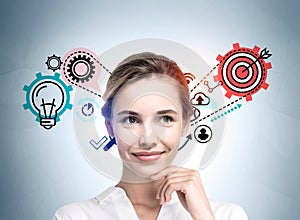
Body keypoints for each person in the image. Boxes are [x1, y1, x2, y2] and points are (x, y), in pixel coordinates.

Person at [53, 52, 248, 220]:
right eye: (131, 120)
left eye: (165, 118)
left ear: (185, 123)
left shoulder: (226, 215)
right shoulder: (74, 217)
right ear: (110, 127)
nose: (147, 139)